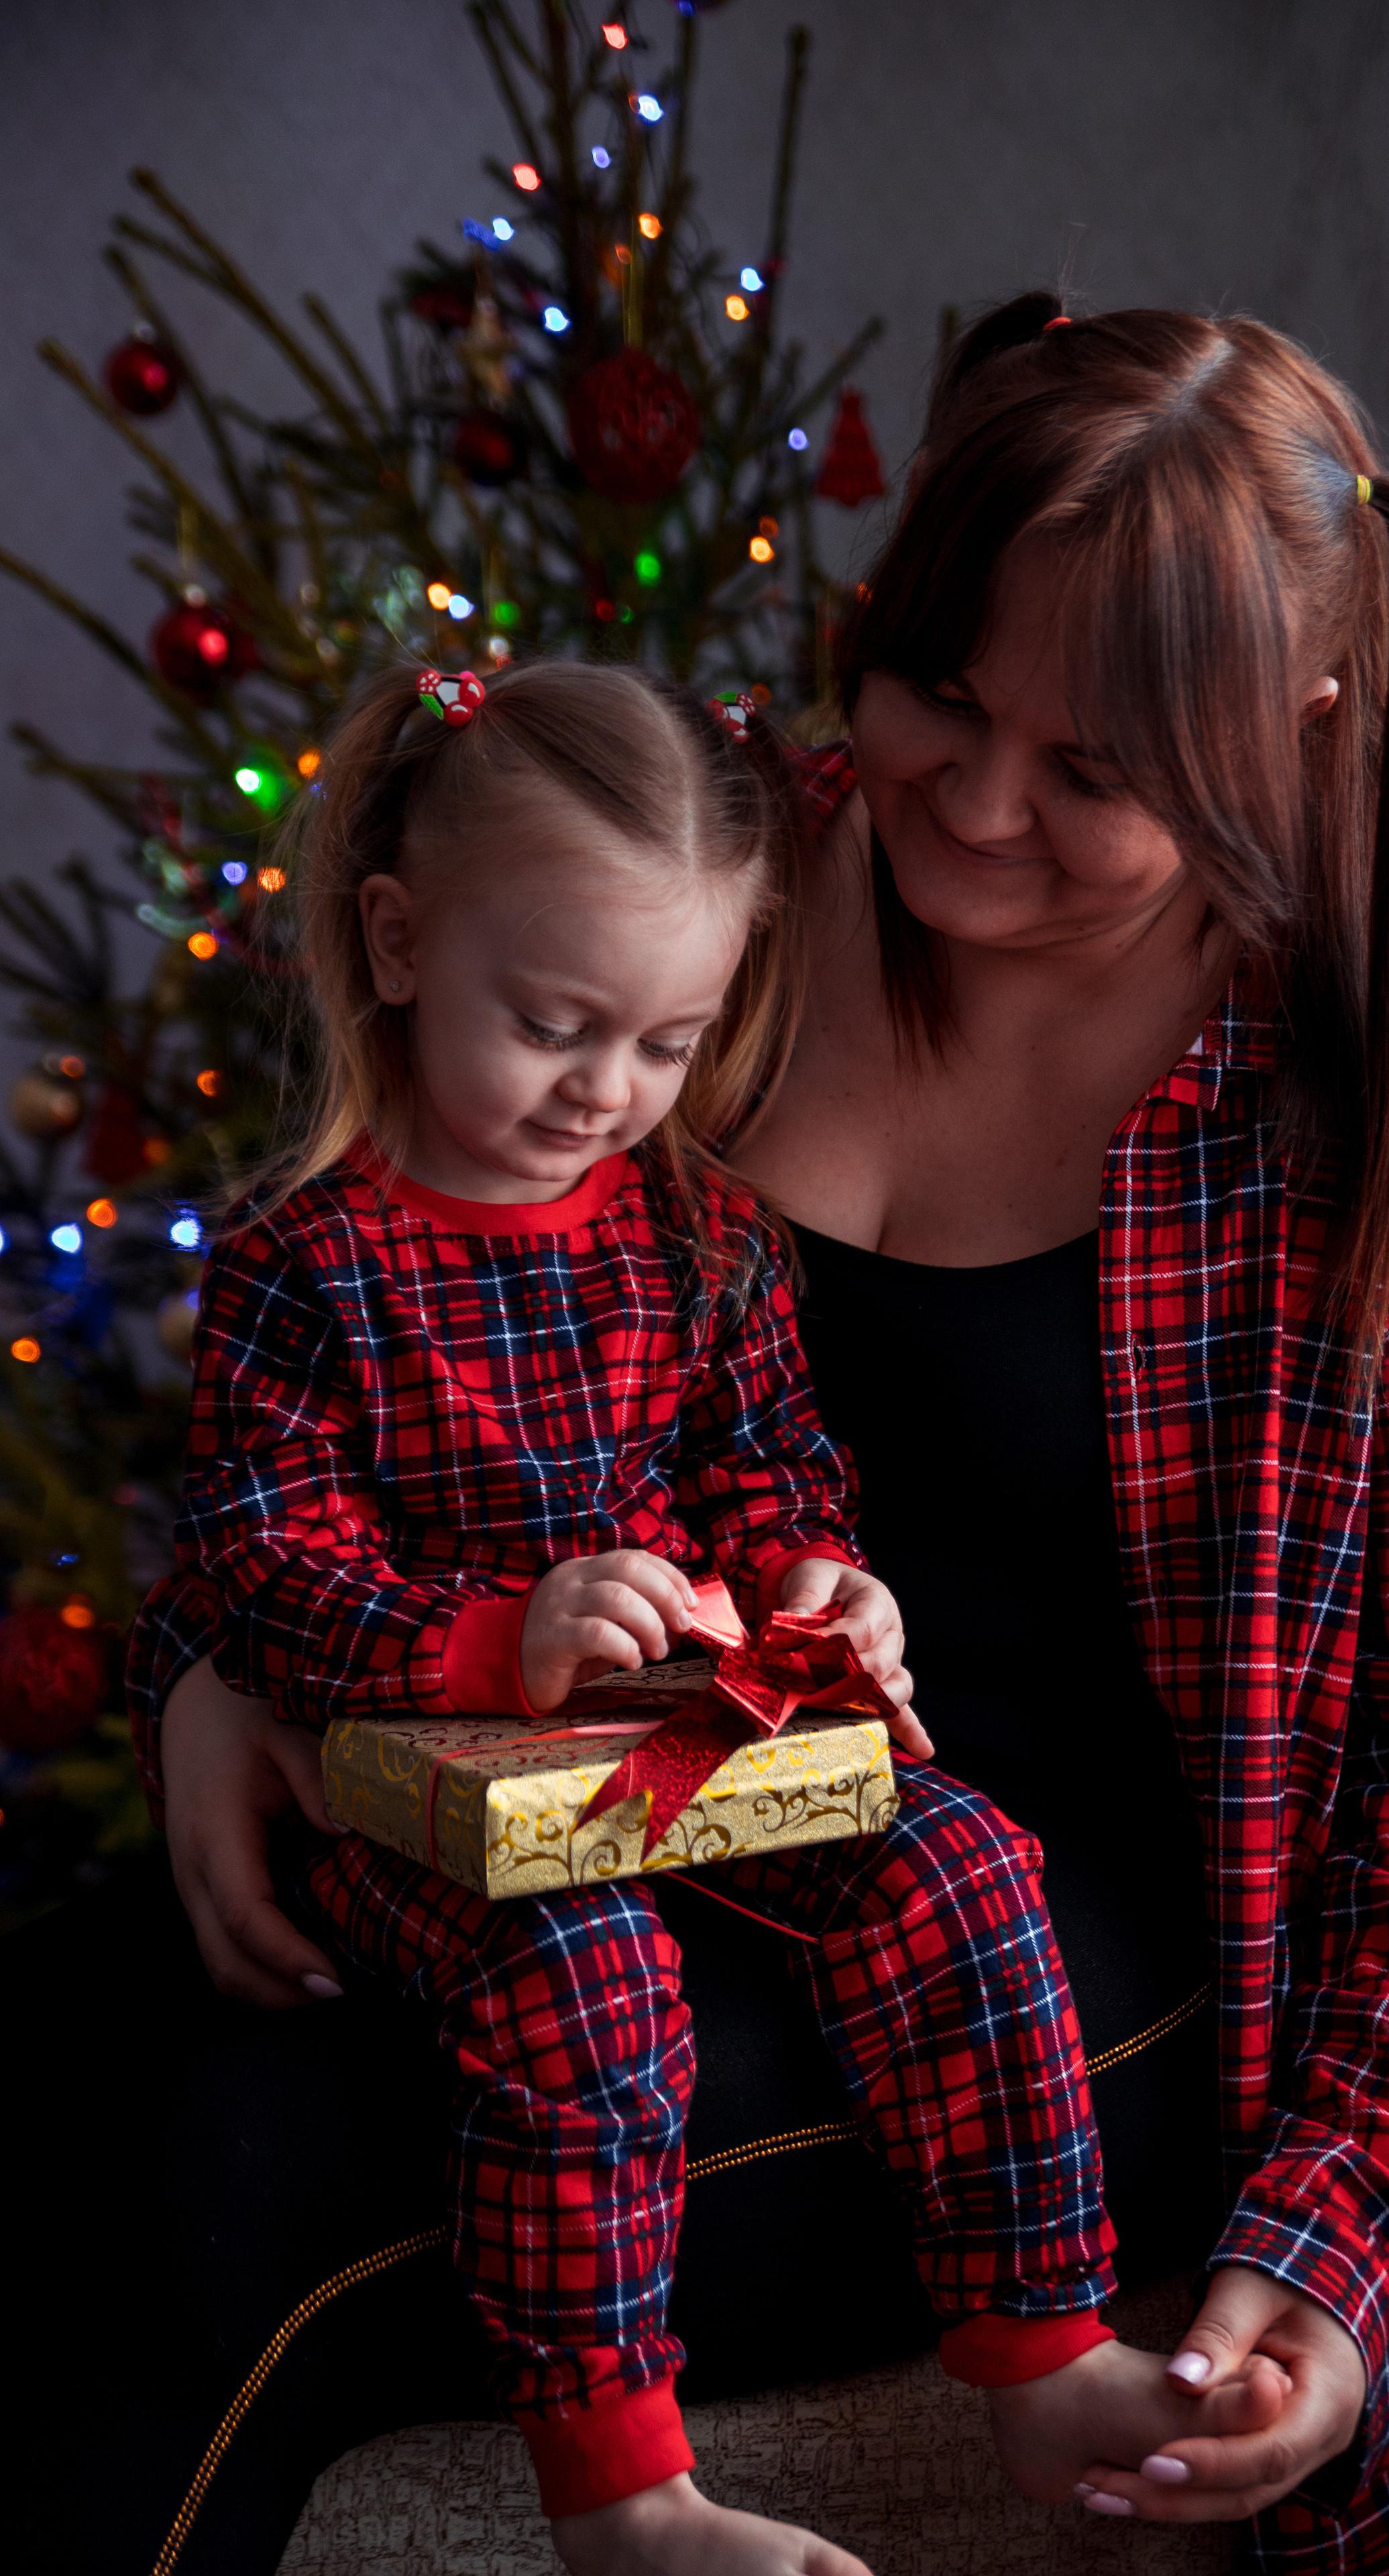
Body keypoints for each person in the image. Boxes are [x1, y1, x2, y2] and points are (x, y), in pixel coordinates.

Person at [145, 299, 1389, 2575]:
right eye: (939, 686)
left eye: (1099, 772)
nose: (977, 797)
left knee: (237, 2201)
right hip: (602, 1778)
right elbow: (386, 1318)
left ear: (1297, 731)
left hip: (1039, 1958)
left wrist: (1339, 2247)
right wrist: (235, 1672)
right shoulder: (712, 897)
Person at [127, 653, 1289, 2576]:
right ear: (401, 943)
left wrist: (824, 1585)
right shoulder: (307, 1261)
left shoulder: (693, 1224)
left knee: (964, 1874)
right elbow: (258, 1557)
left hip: (686, 1726)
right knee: (584, 1990)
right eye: (556, 1025)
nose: (607, 1092)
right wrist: (496, 1638)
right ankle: (625, 2499)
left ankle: (1040, 2350)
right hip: (421, 1782)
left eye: (666, 1041)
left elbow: (771, 1473)